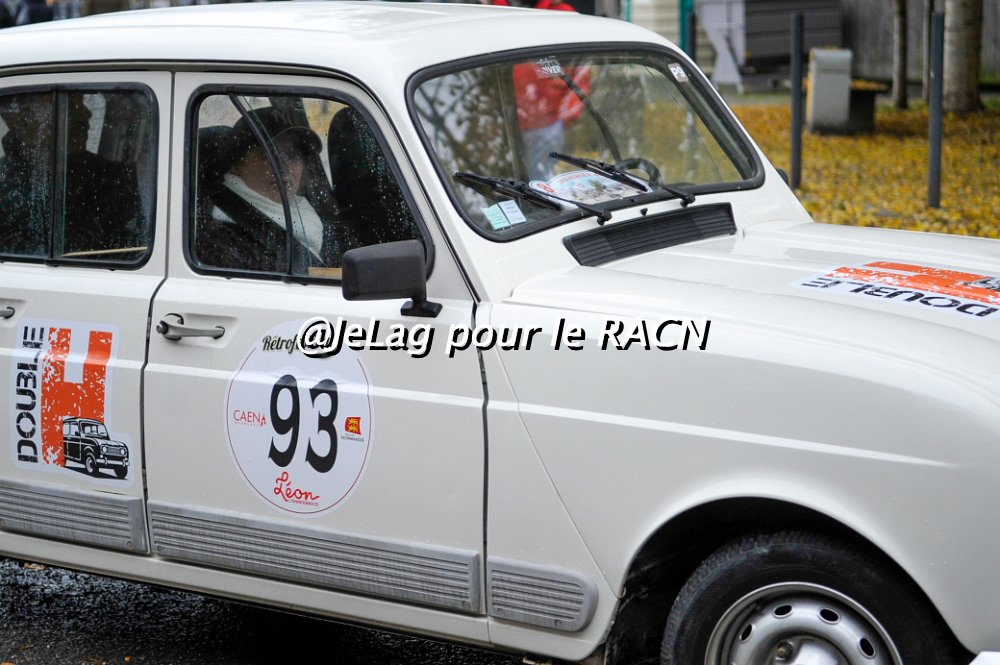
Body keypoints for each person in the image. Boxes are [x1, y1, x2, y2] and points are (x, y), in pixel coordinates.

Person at [196, 107, 326, 273]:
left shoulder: (304, 215)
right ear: (237, 164)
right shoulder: (221, 239)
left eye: (293, 156)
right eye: (269, 154)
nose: (284, 167)